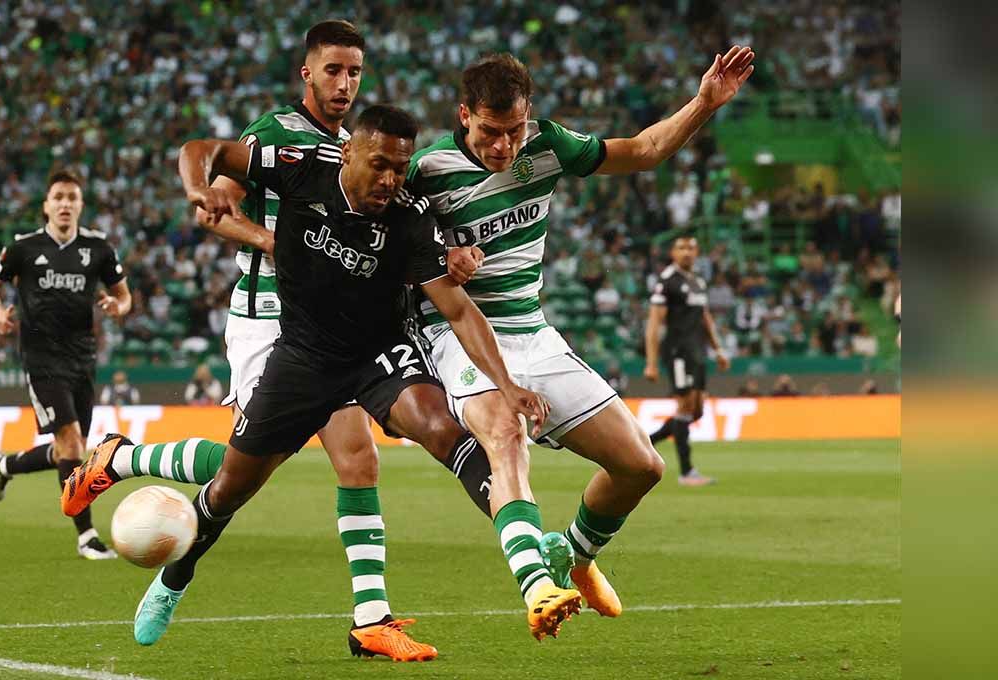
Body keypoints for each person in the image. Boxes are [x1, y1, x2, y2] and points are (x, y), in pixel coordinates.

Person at [64, 105, 567, 651]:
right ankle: (151, 523)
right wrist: (196, 190)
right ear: (348, 152)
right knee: (234, 482)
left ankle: (507, 572)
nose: (390, 180)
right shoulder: (301, 164)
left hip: (379, 351)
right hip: (303, 356)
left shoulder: (409, 213)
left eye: (399, 168)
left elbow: (459, 310)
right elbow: (199, 151)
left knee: (436, 435)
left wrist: (506, 385)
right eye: (379, 165)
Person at [105, 21, 496, 659]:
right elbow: (219, 208)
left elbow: (403, 232)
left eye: (355, 73)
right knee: (237, 474)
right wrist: (272, 240)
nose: (345, 84)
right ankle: (153, 523)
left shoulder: (360, 148)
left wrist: (451, 253)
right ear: (307, 74)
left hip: (335, 328)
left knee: (356, 459)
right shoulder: (276, 137)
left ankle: (371, 617)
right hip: (268, 317)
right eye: (334, 71)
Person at [404, 48, 752, 615]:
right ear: (464, 114)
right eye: (492, 132)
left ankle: (574, 556)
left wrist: (704, 103)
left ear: (529, 115)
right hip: (456, 332)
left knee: (642, 465)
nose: (505, 147)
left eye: (514, 130)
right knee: (504, 430)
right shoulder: (426, 170)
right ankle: (537, 584)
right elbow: (386, 240)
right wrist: (439, 253)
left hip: (531, 331)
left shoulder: (546, 145)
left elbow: (642, 151)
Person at [0, 169, 131, 559]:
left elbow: (124, 296)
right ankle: (87, 537)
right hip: (41, 357)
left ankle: (7, 466)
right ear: (46, 205)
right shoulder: (24, 248)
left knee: (70, 448)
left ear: (81, 205)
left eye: (72, 197)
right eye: (58, 197)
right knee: (71, 442)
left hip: (82, 357)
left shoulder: (98, 249)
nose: (65, 204)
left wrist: (118, 306)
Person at [645, 236, 731, 487]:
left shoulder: (697, 282)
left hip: (697, 352)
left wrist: (718, 349)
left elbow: (704, 318)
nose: (687, 253)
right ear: (673, 252)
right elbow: (654, 323)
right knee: (684, 408)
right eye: (681, 248)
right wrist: (651, 362)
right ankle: (687, 473)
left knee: (697, 411)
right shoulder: (667, 282)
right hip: (678, 351)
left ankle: (644, 444)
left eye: (691, 248)